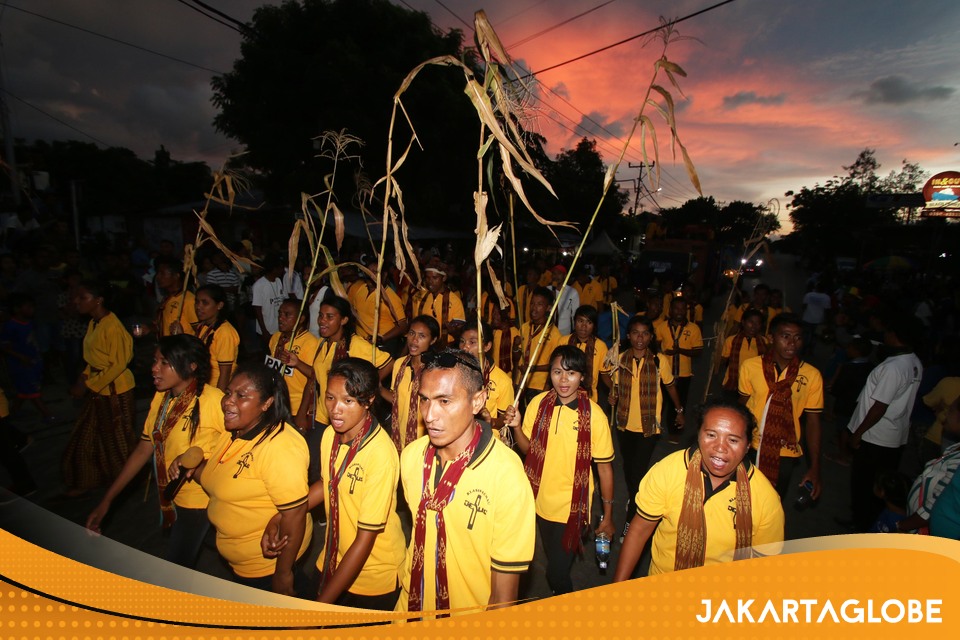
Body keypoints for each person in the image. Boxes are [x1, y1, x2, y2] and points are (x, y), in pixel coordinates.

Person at [395, 349, 535, 616]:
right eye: (424, 400)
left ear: (477, 401)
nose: (429, 415)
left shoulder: (506, 476)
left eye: (445, 401)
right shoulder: (412, 457)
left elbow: (503, 598)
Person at [262, 358, 404, 608]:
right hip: (332, 555)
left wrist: (323, 605)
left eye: (348, 401)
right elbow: (327, 485)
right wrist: (281, 516)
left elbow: (365, 539)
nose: (335, 409)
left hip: (373, 572)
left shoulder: (380, 454)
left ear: (369, 400)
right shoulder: (331, 435)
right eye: (330, 398)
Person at [171, 363, 312, 595]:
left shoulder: (280, 447)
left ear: (266, 403)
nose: (228, 401)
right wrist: (191, 467)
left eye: (241, 396)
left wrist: (283, 573)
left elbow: (294, 514)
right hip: (241, 564)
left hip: (265, 568)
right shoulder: (234, 433)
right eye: (228, 393)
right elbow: (217, 478)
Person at [85, 336, 225, 567]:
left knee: (176, 568)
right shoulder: (161, 398)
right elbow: (143, 449)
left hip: (198, 501)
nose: (154, 368)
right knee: (215, 545)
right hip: (172, 496)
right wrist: (107, 500)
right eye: (155, 361)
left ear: (191, 366)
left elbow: (238, 445)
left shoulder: (213, 401)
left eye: (164, 362)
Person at [613, 399, 784, 579]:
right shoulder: (669, 471)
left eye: (733, 440)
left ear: (748, 446)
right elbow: (639, 531)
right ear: (699, 435)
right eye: (711, 435)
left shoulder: (765, 499)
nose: (720, 447)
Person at [505, 345, 615, 595]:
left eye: (571, 373)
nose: (563, 380)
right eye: (557, 372)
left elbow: (605, 470)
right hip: (539, 501)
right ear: (550, 374)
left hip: (572, 508)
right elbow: (528, 450)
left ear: (582, 377)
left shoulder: (595, 416)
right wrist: (517, 427)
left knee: (556, 571)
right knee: (553, 562)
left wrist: (607, 515)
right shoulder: (538, 404)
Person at [605, 315, 684, 541]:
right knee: (629, 470)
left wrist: (679, 411)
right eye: (635, 333)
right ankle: (634, 496)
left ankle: (630, 521)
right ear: (628, 336)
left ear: (650, 337)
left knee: (638, 474)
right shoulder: (620, 359)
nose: (640, 338)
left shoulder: (659, 361)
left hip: (649, 428)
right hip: (624, 424)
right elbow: (612, 383)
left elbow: (670, 387)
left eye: (645, 333)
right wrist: (613, 394)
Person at [300, 295, 391, 482]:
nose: (322, 321)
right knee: (317, 468)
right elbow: (315, 378)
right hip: (322, 416)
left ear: (344, 320)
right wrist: (303, 412)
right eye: (321, 315)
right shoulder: (322, 344)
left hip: (345, 417)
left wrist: (365, 388)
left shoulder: (355, 345)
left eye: (330, 316)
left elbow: (388, 363)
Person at [846, 314, 923, 532]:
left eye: (888, 332)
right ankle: (866, 522)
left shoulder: (895, 367)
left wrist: (857, 433)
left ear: (895, 336)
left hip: (876, 435)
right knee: (877, 486)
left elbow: (880, 406)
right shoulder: (914, 361)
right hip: (893, 436)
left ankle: (861, 526)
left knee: (865, 485)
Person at [61, 280, 137, 498]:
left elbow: (118, 364)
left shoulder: (113, 327)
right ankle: (87, 479)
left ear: (98, 300)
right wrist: (85, 376)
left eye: (82, 298)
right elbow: (95, 359)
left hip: (115, 391)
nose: (77, 302)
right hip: (99, 388)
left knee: (118, 441)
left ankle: (124, 484)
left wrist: (88, 385)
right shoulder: (96, 323)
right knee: (88, 436)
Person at [738, 313, 824, 498]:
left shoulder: (811, 375)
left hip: (785, 451)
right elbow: (741, 409)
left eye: (798, 337)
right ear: (771, 337)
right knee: (741, 496)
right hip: (751, 445)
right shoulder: (751, 366)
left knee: (771, 500)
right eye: (785, 336)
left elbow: (813, 422)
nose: (792, 343)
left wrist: (815, 467)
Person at [383, 315, 439, 452]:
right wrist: (377, 388)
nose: (414, 340)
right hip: (398, 437)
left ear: (433, 340)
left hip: (424, 441)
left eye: (422, 336)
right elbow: (396, 399)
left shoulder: (435, 370)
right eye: (412, 333)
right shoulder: (399, 365)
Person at [0, 293, 55, 421]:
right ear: (17, 309)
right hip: (20, 364)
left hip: (33, 361)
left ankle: (13, 411)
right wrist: (21, 357)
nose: (32, 309)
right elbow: (4, 347)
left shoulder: (30, 323)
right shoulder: (11, 326)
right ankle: (46, 414)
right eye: (28, 307)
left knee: (24, 390)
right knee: (32, 391)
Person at [656, 297, 703, 443]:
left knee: (679, 402)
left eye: (683, 309)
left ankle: (675, 431)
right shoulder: (662, 327)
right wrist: (662, 353)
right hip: (665, 372)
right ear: (670, 310)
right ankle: (655, 430)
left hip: (683, 373)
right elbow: (656, 345)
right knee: (660, 402)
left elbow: (698, 351)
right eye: (676, 308)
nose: (679, 312)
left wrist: (680, 350)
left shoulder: (693, 328)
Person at [269, 298, 320, 429]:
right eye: (280, 314)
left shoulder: (310, 343)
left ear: (301, 319)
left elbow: (314, 377)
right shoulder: (275, 338)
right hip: (276, 402)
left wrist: (302, 413)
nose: (281, 318)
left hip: (296, 406)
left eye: (287, 315)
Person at [459, 321, 514, 437]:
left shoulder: (502, 380)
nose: (465, 347)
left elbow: (505, 420)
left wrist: (490, 421)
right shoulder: (455, 373)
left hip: (488, 440)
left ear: (487, 346)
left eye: (472, 342)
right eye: (462, 341)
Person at [516, 287, 561, 403]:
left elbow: (555, 364)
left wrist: (532, 368)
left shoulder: (554, 334)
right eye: (532, 303)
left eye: (539, 304)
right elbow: (517, 358)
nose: (534, 308)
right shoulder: (524, 327)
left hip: (538, 385)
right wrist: (515, 348)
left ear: (548, 308)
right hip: (520, 382)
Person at [192, 284, 240, 392]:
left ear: (219, 305)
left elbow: (225, 372)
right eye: (197, 302)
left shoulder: (225, 332)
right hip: (202, 385)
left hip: (215, 388)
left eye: (205, 303)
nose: (198, 307)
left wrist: (219, 399)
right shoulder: (203, 326)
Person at [408, 263, 465, 346]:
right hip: (423, 346)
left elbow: (461, 333)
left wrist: (453, 331)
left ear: (444, 278)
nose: (430, 281)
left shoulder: (455, 301)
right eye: (427, 277)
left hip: (445, 347)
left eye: (435, 278)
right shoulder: (421, 297)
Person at [565, 305, 608, 403]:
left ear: (594, 326)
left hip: (589, 398)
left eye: (589, 322)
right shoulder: (563, 341)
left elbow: (604, 374)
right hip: (565, 394)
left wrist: (614, 389)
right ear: (574, 322)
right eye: (580, 321)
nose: (584, 326)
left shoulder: (600, 346)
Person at [719, 308, 767, 396]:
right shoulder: (731, 340)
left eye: (757, 323)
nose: (754, 326)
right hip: (733, 384)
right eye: (751, 322)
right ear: (743, 322)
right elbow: (722, 361)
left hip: (754, 385)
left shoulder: (765, 342)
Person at [251, 254, 289, 347]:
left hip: (279, 328)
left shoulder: (278, 281)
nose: (283, 270)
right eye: (280, 268)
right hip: (267, 329)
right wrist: (264, 331)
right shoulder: (259, 285)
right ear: (274, 269)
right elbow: (257, 310)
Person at [154, 257, 197, 337]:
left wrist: (182, 336)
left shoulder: (188, 300)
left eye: (162, 273)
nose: (158, 277)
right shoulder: (167, 298)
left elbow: (199, 331)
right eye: (157, 273)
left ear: (176, 276)